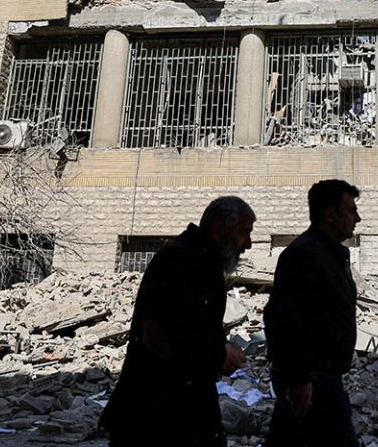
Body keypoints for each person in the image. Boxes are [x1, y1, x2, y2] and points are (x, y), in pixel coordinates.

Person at [99, 196, 256, 446]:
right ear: (219, 230)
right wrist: (217, 354)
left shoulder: (204, 264)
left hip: (184, 409)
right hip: (156, 415)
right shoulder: (179, 261)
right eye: (244, 233)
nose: (247, 244)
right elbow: (158, 335)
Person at [264, 179, 361, 447]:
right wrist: (299, 379)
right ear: (330, 215)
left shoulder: (331, 254)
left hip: (322, 378)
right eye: (351, 211)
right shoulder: (304, 255)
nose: (358, 218)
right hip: (313, 380)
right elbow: (282, 320)